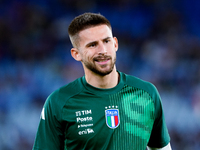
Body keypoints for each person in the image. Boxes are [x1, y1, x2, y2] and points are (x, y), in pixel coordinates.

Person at [32, 12, 172, 150]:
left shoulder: (147, 93)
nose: (103, 50)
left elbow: (161, 148)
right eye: (92, 45)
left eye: (106, 41)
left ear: (115, 44)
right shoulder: (59, 102)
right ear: (76, 54)